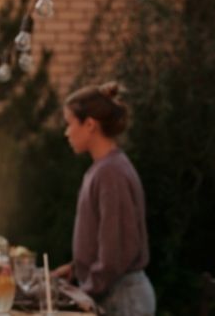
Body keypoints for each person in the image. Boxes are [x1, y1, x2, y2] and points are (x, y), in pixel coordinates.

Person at [53, 82, 155, 316]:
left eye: (69, 124)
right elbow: (103, 239)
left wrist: (82, 294)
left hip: (122, 301)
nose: (66, 132)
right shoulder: (103, 168)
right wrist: (76, 268)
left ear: (90, 125)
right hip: (112, 294)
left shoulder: (111, 173)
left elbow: (115, 253)